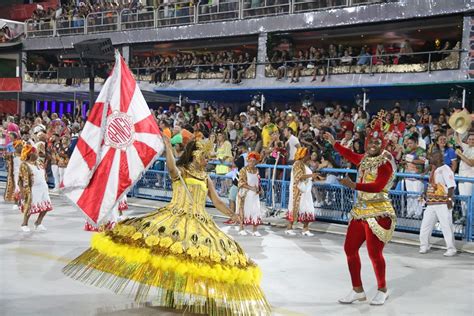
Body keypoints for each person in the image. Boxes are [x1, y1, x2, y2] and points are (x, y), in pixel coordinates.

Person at [63, 137, 270, 315]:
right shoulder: (181, 171)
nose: (207, 160)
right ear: (195, 154)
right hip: (176, 217)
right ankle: (171, 293)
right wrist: (169, 150)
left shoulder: (205, 177)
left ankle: (205, 297)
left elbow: (216, 201)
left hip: (200, 221)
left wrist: (232, 213)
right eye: (205, 156)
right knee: (172, 255)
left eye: (208, 157)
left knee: (202, 258)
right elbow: (171, 167)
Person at [324, 111, 397, 306]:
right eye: (370, 143)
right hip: (361, 210)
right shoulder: (365, 159)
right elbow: (350, 154)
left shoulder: (385, 163)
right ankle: (357, 290)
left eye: (376, 143)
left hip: (379, 211)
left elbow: (378, 186)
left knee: (374, 253)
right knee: (349, 248)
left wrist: (353, 185)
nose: (373, 146)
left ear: (382, 144)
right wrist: (334, 143)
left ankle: (382, 289)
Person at [419, 149, 457, 257]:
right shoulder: (434, 169)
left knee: (446, 226)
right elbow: (432, 184)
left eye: (432, 156)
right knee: (426, 225)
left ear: (439, 158)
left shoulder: (445, 169)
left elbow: (451, 186)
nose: (430, 158)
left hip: (443, 202)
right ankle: (424, 245)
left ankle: (451, 248)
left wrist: (449, 200)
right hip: (431, 202)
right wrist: (425, 194)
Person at [18, 144, 53, 232]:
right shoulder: (24, 165)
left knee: (46, 207)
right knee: (29, 207)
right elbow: (20, 180)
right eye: (35, 152)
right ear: (30, 154)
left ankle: (38, 223)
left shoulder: (39, 162)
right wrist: (22, 192)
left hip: (43, 188)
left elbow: (43, 173)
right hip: (32, 189)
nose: (37, 154)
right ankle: (24, 224)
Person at [285, 147, 319, 236]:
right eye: (307, 154)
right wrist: (312, 175)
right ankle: (289, 228)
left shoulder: (304, 165)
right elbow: (299, 176)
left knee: (307, 208)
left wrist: (314, 177)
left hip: (306, 191)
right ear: (304, 155)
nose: (309, 156)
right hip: (298, 191)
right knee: (295, 208)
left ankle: (305, 229)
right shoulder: (297, 164)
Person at [236, 152, 264, 237]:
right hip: (245, 194)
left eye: (254, 161)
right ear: (248, 161)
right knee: (243, 210)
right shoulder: (243, 170)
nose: (252, 163)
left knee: (256, 210)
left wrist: (260, 188)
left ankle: (255, 230)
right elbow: (240, 183)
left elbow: (258, 181)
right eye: (250, 161)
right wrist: (251, 188)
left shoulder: (257, 170)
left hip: (254, 195)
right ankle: (241, 228)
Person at [402, 135, 426, 219]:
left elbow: (423, 161)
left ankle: (418, 213)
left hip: (417, 176)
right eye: (408, 143)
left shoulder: (421, 150)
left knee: (418, 194)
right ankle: (410, 212)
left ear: (416, 143)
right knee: (410, 194)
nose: (409, 145)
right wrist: (403, 162)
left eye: (411, 143)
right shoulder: (407, 151)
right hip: (408, 175)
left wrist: (412, 160)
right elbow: (403, 161)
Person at [454, 132, 474, 224]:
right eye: (470, 139)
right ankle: (464, 217)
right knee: (462, 198)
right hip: (462, 177)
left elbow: (471, 163)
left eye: (473, 139)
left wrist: (460, 154)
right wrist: (457, 130)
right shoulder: (466, 147)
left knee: (469, 198)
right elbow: (457, 140)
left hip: (470, 178)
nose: (471, 141)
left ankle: (470, 219)